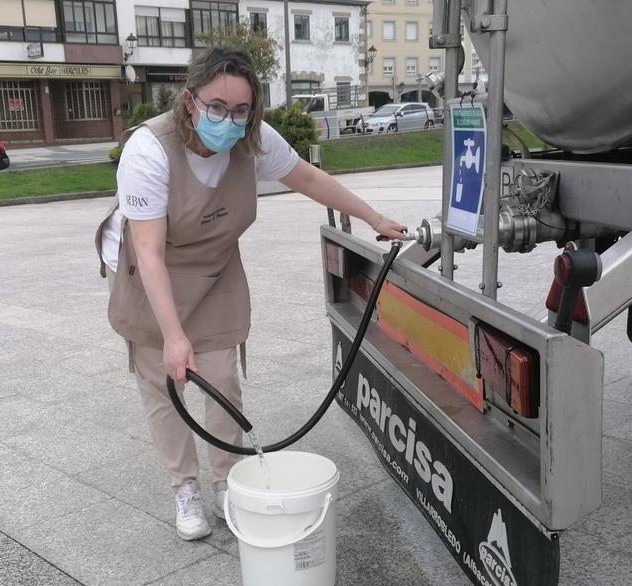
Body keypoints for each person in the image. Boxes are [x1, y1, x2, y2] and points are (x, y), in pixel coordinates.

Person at [96, 46, 406, 541]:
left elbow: (307, 177)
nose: (228, 118)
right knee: (164, 382)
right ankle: (185, 486)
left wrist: (374, 218)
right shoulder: (149, 149)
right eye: (216, 106)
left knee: (220, 379)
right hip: (149, 268)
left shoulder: (252, 138)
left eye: (241, 109)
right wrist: (175, 336)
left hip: (214, 269)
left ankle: (226, 481)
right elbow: (149, 251)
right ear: (190, 100)